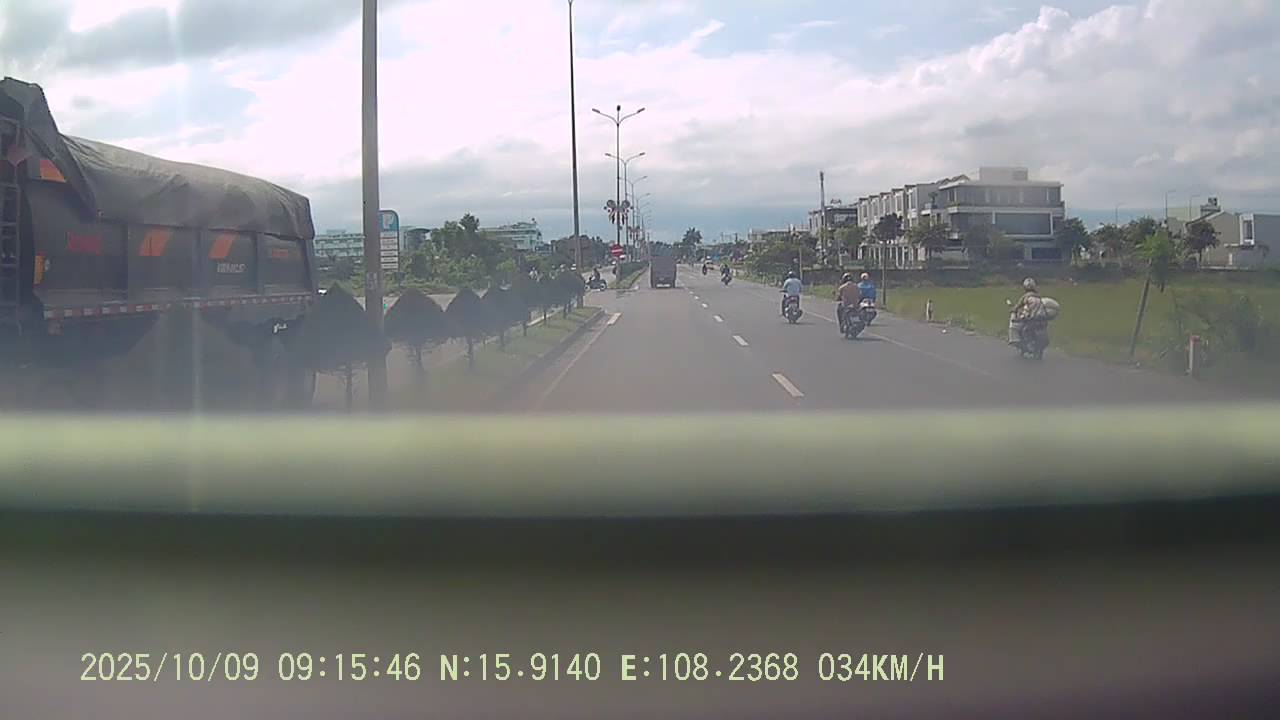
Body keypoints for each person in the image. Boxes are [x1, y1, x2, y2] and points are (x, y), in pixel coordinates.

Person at [1009, 277, 1044, 345]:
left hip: (1029, 316)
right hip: (1037, 316)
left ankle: (1014, 338)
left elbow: (1018, 305)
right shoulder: (1038, 295)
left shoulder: (1025, 296)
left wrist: (1013, 310)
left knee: (1014, 321)